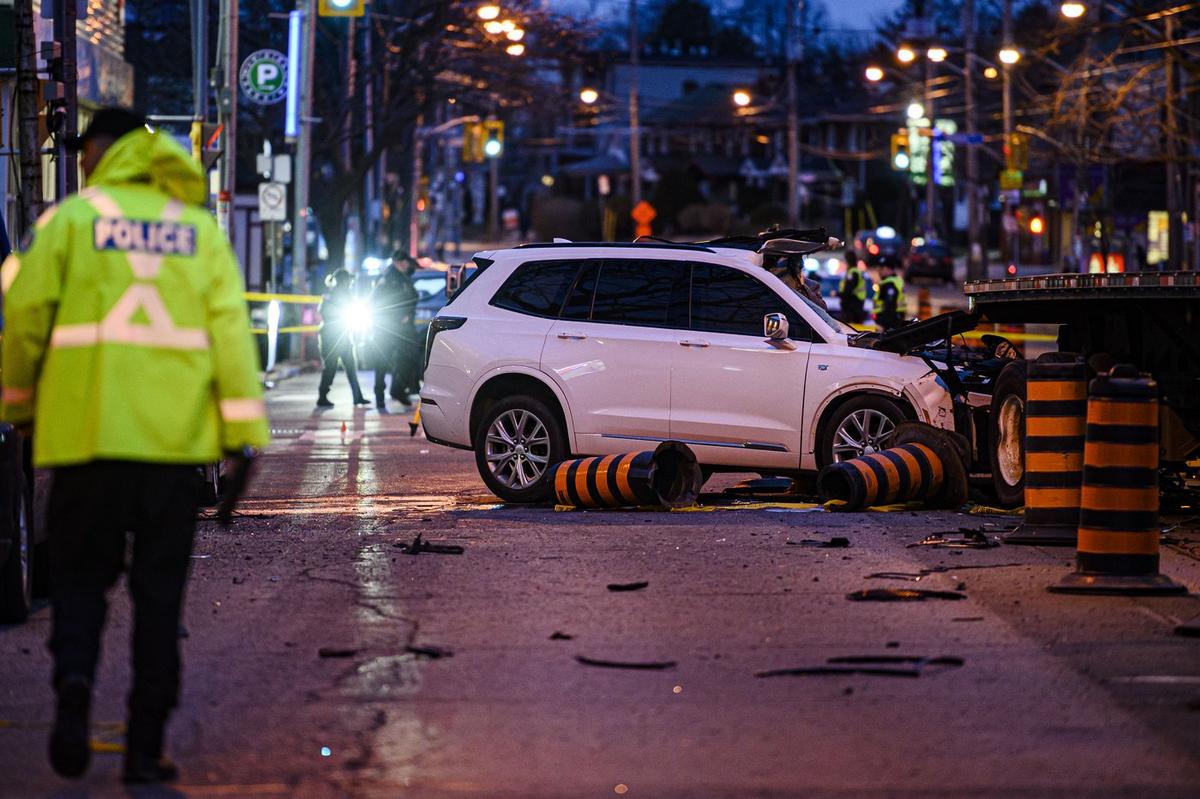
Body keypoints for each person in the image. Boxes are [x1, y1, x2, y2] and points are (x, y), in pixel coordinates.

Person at [0, 107, 269, 784]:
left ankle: (73, 690)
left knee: (79, 585)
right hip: (173, 453)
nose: (80, 161)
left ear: (102, 150)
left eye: (83, 150)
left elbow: (24, 320)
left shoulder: (69, 223)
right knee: (159, 600)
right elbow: (230, 340)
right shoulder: (198, 234)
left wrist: (20, 409)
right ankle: (144, 749)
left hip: (86, 444)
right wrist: (242, 441)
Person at [370, 253, 419, 410]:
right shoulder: (388, 278)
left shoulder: (403, 277)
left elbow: (412, 298)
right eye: (405, 262)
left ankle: (397, 390)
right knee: (382, 362)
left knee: (409, 357)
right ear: (398, 262)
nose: (408, 265)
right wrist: (398, 317)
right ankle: (380, 395)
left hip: (402, 328)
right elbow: (379, 302)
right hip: (387, 327)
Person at [316, 268, 369, 408]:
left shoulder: (338, 294)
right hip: (332, 338)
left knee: (349, 367)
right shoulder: (337, 295)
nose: (351, 282)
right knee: (331, 368)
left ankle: (357, 397)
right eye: (349, 280)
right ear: (344, 280)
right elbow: (325, 314)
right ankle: (322, 397)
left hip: (341, 337)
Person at [874, 255, 907, 331]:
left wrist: (883, 324)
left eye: (881, 269)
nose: (879, 271)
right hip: (895, 319)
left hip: (889, 322)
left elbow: (889, 305)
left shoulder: (890, 284)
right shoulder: (896, 280)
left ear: (888, 269)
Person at [837, 249, 868, 326]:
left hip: (852, 305)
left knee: (849, 327)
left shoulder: (853, 273)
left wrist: (838, 294)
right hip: (854, 304)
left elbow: (848, 289)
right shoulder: (854, 272)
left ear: (848, 260)